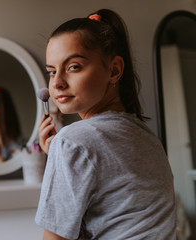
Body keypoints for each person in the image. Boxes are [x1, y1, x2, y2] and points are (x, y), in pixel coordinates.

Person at [35, 9, 176, 239]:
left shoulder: (72, 141)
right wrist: (60, 156)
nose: (57, 82)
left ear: (114, 70)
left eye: (73, 67)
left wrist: (64, 152)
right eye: (51, 71)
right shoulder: (148, 137)